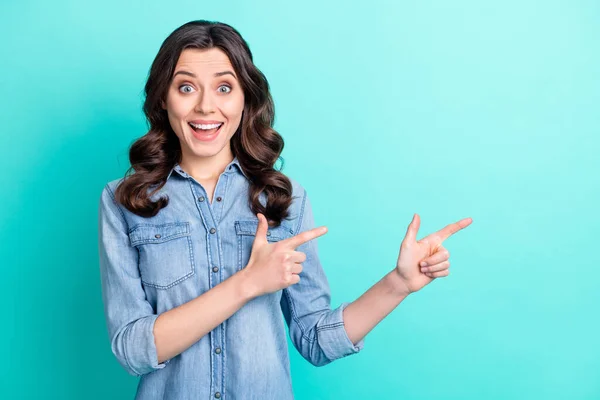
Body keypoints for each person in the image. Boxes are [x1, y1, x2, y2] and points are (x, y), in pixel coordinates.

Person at [98, 20, 472, 400]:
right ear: (164, 97)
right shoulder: (123, 201)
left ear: (245, 98)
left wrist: (400, 283)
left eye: (224, 88)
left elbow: (314, 339)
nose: (206, 106)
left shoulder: (285, 199)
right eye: (186, 87)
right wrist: (248, 283)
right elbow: (133, 349)